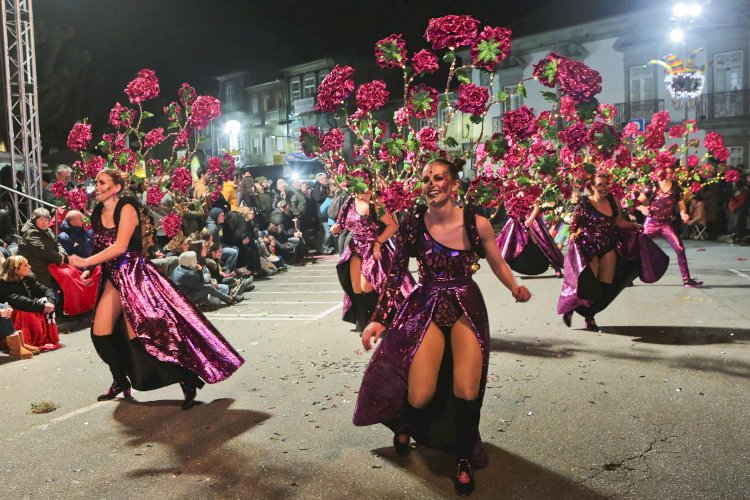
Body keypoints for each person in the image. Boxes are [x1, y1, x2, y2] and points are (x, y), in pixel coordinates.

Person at [353, 159, 532, 496]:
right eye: (425, 179)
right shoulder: (411, 225)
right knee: (419, 395)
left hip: (466, 304)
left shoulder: (476, 224)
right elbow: (395, 275)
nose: (431, 184)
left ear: (453, 185)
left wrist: (514, 286)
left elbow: (498, 261)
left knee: (467, 390)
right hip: (428, 304)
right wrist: (378, 316)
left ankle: (463, 458)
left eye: (438, 178)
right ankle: (407, 420)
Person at [67, 169, 243, 409]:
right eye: (96, 182)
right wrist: (90, 267)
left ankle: (187, 377)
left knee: (146, 335)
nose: (96, 186)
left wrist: (86, 262)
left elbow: (120, 246)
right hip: (111, 275)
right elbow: (99, 244)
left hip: (132, 274)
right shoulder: (98, 211)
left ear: (116, 187)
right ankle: (120, 380)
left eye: (101, 182)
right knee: (100, 334)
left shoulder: (127, 206)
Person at [558, 172, 669, 331]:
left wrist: (633, 226)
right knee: (588, 281)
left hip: (608, 245)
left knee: (605, 286)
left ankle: (589, 315)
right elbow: (574, 225)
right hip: (588, 246)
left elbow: (619, 222)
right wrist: (571, 235)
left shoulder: (613, 200)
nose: (604, 187)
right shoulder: (584, 203)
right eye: (600, 184)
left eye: (606, 184)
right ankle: (574, 309)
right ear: (592, 187)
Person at [330, 174, 415, 333]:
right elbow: (340, 223)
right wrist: (335, 229)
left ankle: (381, 322)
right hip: (355, 247)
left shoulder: (376, 203)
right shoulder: (349, 202)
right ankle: (362, 323)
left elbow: (392, 225)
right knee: (355, 288)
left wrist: (378, 242)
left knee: (367, 287)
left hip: (373, 249)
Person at [637, 165, 703, 287]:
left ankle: (687, 279)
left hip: (666, 224)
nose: (670, 175)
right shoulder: (652, 186)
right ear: (661, 173)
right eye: (667, 173)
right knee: (637, 247)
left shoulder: (676, 188)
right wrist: (642, 208)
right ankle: (627, 278)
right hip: (651, 222)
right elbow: (637, 202)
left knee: (680, 249)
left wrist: (683, 213)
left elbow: (681, 205)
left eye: (671, 173)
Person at [0, 255, 60, 351]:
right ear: (16, 270)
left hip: (30, 306)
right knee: (25, 313)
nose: (29, 267)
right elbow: (17, 300)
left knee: (44, 307)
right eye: (25, 265)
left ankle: (45, 339)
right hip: (11, 314)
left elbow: (45, 290)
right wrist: (42, 306)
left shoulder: (28, 278)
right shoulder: (3, 283)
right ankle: (21, 343)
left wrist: (50, 302)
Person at [496, 202, 564, 277]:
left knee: (542, 244)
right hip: (517, 221)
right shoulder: (510, 194)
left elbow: (536, 207)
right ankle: (504, 268)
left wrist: (530, 219)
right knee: (509, 244)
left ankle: (556, 266)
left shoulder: (528, 192)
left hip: (531, 221)